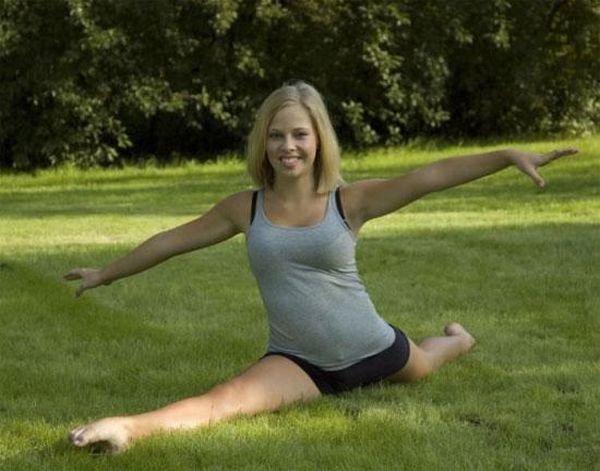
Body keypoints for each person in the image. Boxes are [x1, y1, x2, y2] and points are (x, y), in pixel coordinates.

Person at [65, 80, 577, 453]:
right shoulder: (243, 209)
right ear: (263, 143)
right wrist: (104, 273)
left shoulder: (347, 202)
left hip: (375, 347)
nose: (288, 146)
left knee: (425, 365)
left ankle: (459, 339)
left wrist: (508, 154)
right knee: (222, 402)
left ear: (318, 140)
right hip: (299, 363)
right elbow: (171, 242)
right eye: (276, 136)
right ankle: (126, 428)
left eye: (299, 135)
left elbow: (432, 175)